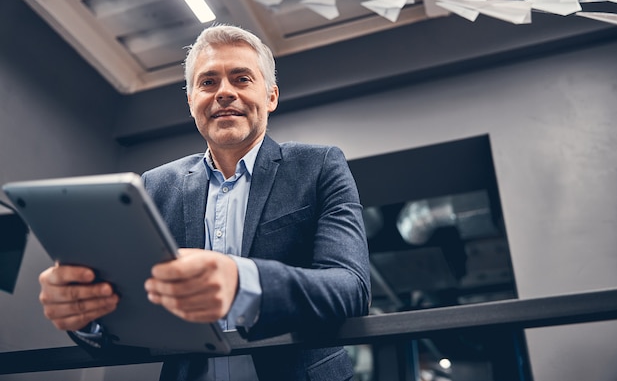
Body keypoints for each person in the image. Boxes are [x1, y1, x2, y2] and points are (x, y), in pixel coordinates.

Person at [37, 24, 371, 381]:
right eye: (208, 82)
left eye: (241, 79)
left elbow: (351, 288)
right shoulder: (154, 187)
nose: (224, 92)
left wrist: (242, 282)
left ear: (271, 96)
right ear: (191, 101)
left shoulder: (318, 167)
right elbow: (128, 331)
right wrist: (86, 313)